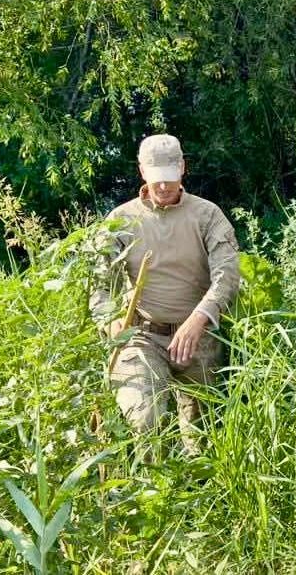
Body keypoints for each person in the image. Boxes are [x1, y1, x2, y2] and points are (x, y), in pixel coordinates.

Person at [90, 134, 240, 455]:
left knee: (205, 438)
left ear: (183, 168)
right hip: (142, 336)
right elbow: (99, 284)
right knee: (147, 420)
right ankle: (155, 486)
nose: (163, 187)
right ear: (142, 171)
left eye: (170, 178)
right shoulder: (120, 221)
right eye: (157, 178)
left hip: (198, 336)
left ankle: (195, 489)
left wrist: (199, 320)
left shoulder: (207, 216)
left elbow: (227, 276)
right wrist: (111, 322)